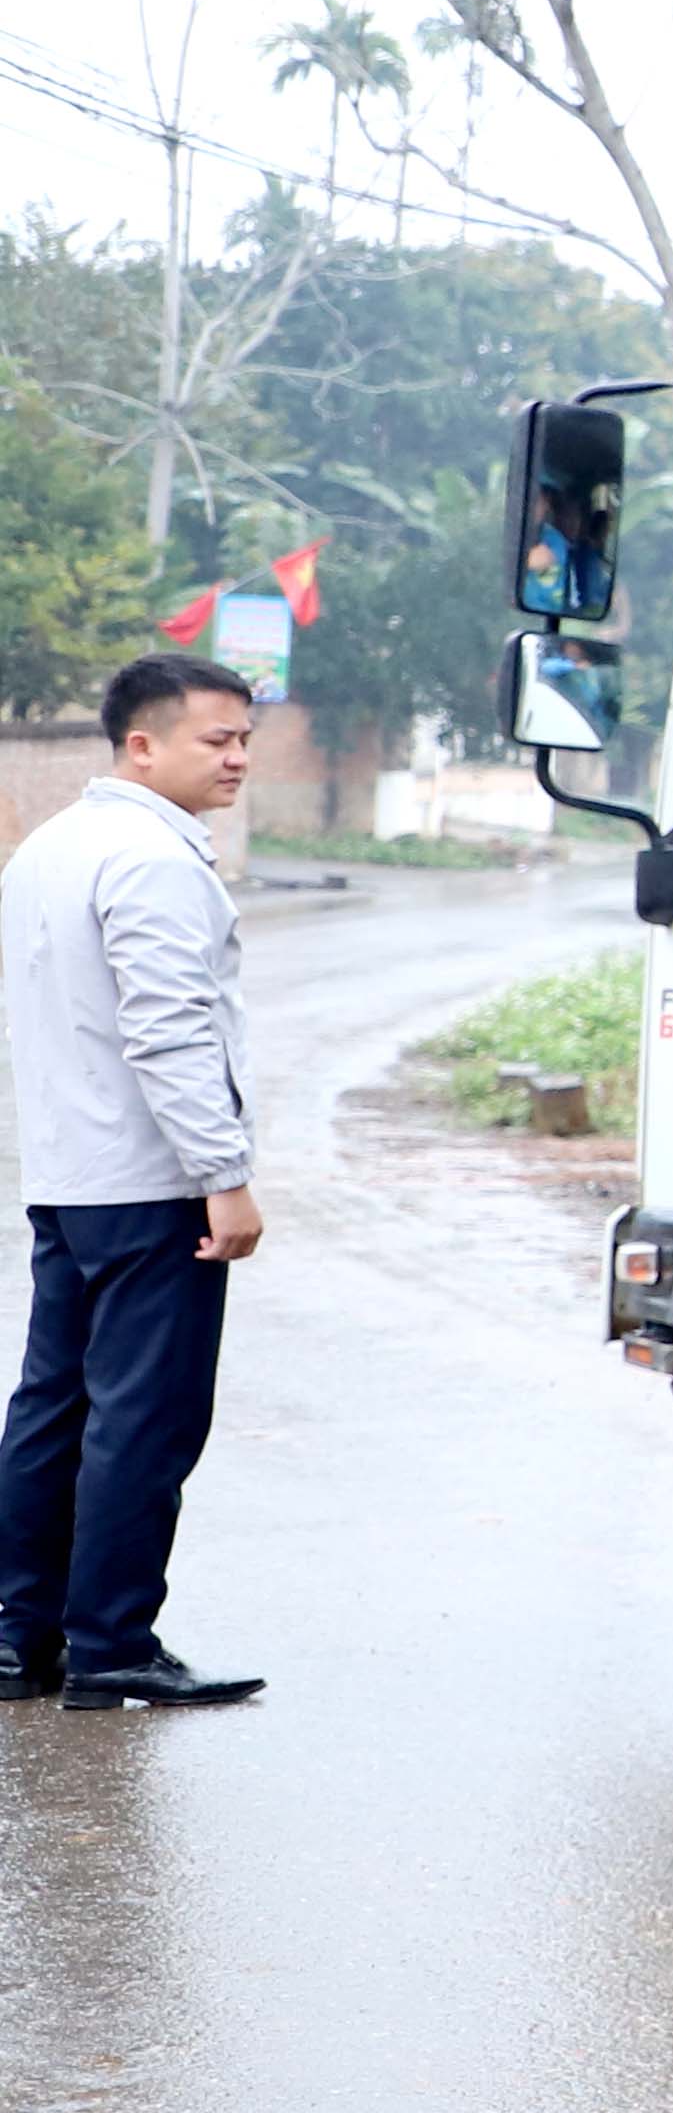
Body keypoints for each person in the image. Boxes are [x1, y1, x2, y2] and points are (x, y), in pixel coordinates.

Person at [0, 652, 271, 1713]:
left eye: (246, 737)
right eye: (218, 738)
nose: (239, 756)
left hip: (70, 1175)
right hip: (152, 1180)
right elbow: (168, 1030)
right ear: (141, 743)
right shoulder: (153, 859)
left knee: (53, 1410)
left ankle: (23, 1637)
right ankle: (112, 1641)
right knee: (142, 1420)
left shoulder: (50, 847)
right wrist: (225, 1175)